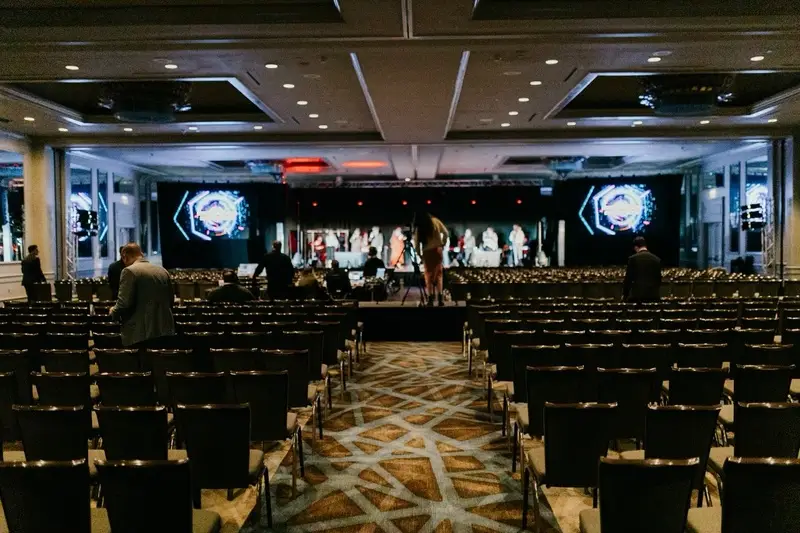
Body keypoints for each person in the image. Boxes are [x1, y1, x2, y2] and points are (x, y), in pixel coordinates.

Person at [110, 243, 175, 348]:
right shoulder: (163, 271)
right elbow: (171, 300)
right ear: (141, 254)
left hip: (141, 334)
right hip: (165, 330)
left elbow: (124, 303)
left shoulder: (129, 271)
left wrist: (113, 312)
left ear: (124, 256)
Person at [416, 212, 448, 307]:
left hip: (427, 251)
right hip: (437, 249)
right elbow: (445, 233)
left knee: (428, 274)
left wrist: (420, 255)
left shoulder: (420, 225)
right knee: (439, 274)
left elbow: (417, 243)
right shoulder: (436, 221)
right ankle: (440, 299)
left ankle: (430, 299)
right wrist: (443, 243)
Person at [623, 236, 662, 303]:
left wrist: (625, 295)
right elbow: (658, 279)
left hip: (637, 297)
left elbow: (628, 279)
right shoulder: (657, 259)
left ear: (636, 247)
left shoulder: (632, 259)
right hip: (653, 296)